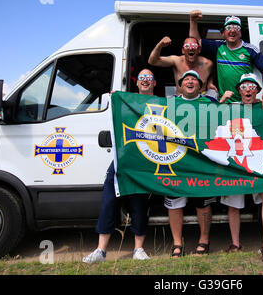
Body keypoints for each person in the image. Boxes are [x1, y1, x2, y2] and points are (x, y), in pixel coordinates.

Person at [82, 69, 157, 264]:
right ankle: (101, 250)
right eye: (142, 78)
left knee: (139, 205)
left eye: (149, 78)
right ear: (137, 83)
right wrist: (117, 99)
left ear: (154, 83)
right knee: (109, 203)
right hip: (122, 159)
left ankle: (138, 249)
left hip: (144, 161)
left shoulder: (160, 103)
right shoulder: (127, 100)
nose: (145, 81)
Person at [219, 73, 263, 270]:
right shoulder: (231, 110)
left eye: (252, 86)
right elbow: (207, 121)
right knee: (233, 203)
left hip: (260, 163)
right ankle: (235, 244)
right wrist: (222, 101)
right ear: (239, 91)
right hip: (237, 163)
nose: (248, 89)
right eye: (244, 86)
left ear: (258, 91)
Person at [164, 70, 218, 258]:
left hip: (202, 163)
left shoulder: (210, 102)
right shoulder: (169, 102)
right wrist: (121, 98)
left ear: (200, 85)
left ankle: (204, 241)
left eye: (194, 79)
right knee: (174, 203)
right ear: (180, 84)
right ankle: (177, 243)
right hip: (175, 162)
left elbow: (229, 117)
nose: (190, 81)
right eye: (186, 79)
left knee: (202, 203)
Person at [189, 10, 263, 110]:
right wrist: (193, 21)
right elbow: (195, 42)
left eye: (236, 28)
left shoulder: (250, 49)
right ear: (223, 33)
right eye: (228, 28)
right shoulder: (218, 46)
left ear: (241, 32)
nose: (232, 31)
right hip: (225, 102)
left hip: (245, 103)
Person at [148, 36, 217, 96]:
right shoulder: (177, 61)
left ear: (199, 49)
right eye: (187, 46)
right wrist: (160, 45)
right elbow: (153, 61)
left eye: (194, 46)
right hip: (180, 103)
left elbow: (212, 74)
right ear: (183, 50)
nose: (190, 48)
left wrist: (210, 82)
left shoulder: (208, 64)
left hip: (200, 103)